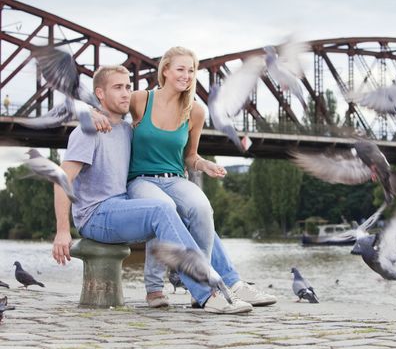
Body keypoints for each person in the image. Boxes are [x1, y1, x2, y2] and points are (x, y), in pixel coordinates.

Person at [52, 65, 253, 314]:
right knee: (161, 209)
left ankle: (232, 282)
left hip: (124, 207)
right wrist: (62, 231)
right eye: (118, 87)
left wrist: (196, 162)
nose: (126, 93)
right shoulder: (88, 130)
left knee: (193, 210)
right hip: (96, 215)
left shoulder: (127, 129)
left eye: (128, 87)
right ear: (100, 94)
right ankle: (208, 293)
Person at [126, 46, 276, 308]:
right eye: (180, 69)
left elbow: (190, 156)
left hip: (175, 178)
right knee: (163, 208)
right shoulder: (140, 99)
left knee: (202, 208)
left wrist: (203, 164)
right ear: (165, 70)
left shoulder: (194, 111)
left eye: (191, 70)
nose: (186, 75)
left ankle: (204, 285)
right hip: (141, 180)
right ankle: (154, 288)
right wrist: (95, 114)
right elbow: (110, 110)